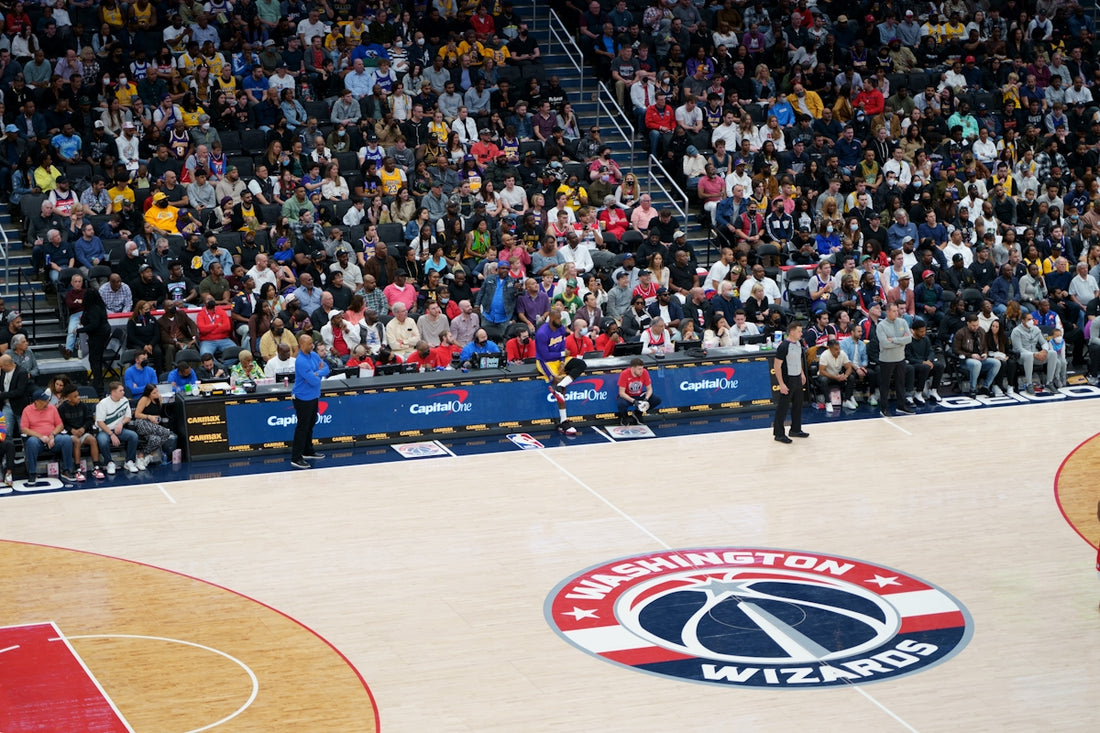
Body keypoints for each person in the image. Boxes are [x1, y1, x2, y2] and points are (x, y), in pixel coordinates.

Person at [535, 306, 587, 436]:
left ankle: (560, 387)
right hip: (545, 362)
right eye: (558, 318)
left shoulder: (561, 328)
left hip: (559, 358)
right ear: (551, 319)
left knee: (580, 364)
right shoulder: (542, 333)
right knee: (559, 387)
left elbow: (563, 345)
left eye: (560, 318)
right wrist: (562, 353)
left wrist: (563, 360)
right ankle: (564, 422)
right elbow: (545, 355)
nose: (560, 320)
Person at [21, 389, 76, 484]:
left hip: (53, 438)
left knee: (66, 439)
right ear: (37, 402)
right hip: (38, 440)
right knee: (31, 442)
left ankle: (67, 470)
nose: (47, 402)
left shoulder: (52, 408)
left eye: (47, 400)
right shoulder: (27, 410)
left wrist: (52, 435)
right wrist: (41, 436)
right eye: (44, 400)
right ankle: (32, 473)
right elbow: (24, 429)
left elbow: (60, 425)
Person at [290, 333, 329, 469]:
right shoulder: (300, 361)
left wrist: (317, 373)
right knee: (302, 427)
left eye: (312, 342)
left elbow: (326, 368)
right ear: (301, 345)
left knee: (311, 424)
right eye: (309, 343)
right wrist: (317, 375)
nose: (312, 345)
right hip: (302, 397)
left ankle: (308, 450)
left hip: (313, 396)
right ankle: (296, 457)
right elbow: (313, 381)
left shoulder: (314, 355)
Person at [58, 385, 105, 481]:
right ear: (68, 398)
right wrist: (72, 430)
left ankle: (96, 468)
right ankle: (77, 470)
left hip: (83, 432)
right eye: (75, 396)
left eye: (78, 395)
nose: (78, 398)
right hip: (69, 434)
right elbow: (62, 424)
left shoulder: (83, 405)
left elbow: (89, 420)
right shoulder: (62, 408)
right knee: (77, 441)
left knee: (92, 440)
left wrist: (83, 428)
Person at [772, 321, 808, 443]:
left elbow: (798, 360)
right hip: (787, 379)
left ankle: (795, 430)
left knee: (798, 404)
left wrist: (802, 373)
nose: (801, 333)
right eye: (799, 331)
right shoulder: (783, 346)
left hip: (797, 377)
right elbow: (776, 366)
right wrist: (781, 384)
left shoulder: (798, 343)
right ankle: (779, 434)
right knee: (783, 407)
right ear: (791, 332)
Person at [876, 302, 914, 416]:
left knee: (901, 383)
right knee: (885, 385)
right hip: (886, 360)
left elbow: (909, 339)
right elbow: (884, 343)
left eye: (897, 311)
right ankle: (884, 408)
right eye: (894, 311)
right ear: (887, 312)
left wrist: (894, 340)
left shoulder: (902, 322)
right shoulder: (881, 325)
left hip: (900, 358)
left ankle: (901, 406)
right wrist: (900, 342)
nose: (897, 313)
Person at [95, 381, 141, 474]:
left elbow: (128, 416)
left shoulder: (125, 400)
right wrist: (111, 434)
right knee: (103, 440)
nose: (123, 392)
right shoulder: (103, 404)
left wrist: (121, 423)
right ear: (113, 392)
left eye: (123, 390)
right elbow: (100, 422)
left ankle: (129, 461)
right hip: (105, 430)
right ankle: (109, 463)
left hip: (119, 430)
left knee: (133, 436)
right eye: (120, 390)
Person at [952, 314, 1000, 396]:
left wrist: (985, 353)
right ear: (968, 323)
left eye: (977, 325)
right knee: (976, 364)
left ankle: (985, 387)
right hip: (966, 360)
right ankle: (972, 389)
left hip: (980, 358)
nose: (976, 327)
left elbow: (985, 346)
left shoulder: (981, 331)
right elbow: (956, 350)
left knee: (996, 363)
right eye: (973, 325)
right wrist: (970, 355)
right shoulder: (960, 333)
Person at [133, 384, 179, 465]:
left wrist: (157, 419)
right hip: (142, 423)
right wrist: (149, 417)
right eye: (154, 393)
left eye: (157, 391)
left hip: (153, 425)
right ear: (149, 394)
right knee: (166, 432)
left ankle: (142, 455)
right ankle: (145, 456)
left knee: (156, 439)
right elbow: (137, 414)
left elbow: (158, 414)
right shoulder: (144, 399)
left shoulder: (159, 399)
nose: (156, 394)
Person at [616, 357, 661, 425]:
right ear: (633, 368)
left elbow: (649, 389)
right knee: (621, 403)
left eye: (642, 368)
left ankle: (638, 413)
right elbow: (621, 393)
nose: (641, 370)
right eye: (639, 369)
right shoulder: (624, 374)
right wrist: (634, 401)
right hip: (627, 396)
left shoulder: (644, 372)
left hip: (639, 395)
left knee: (656, 400)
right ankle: (624, 417)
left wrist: (646, 399)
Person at [817, 338, 857, 413]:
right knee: (823, 380)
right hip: (827, 376)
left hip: (838, 376)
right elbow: (822, 371)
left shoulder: (842, 354)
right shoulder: (824, 355)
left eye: (839, 348)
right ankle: (828, 402)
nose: (838, 351)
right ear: (830, 349)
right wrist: (835, 377)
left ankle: (846, 400)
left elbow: (849, 367)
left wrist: (845, 375)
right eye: (836, 349)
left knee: (851, 377)